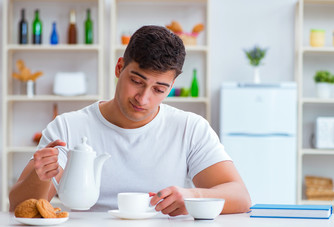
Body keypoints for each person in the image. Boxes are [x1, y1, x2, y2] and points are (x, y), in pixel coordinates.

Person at [9, 25, 251, 215]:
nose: (143, 98)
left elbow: (240, 196)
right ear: (119, 68)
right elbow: (18, 207)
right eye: (137, 81)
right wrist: (40, 175)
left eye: (159, 89)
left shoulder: (190, 128)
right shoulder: (68, 127)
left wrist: (192, 198)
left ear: (171, 88)